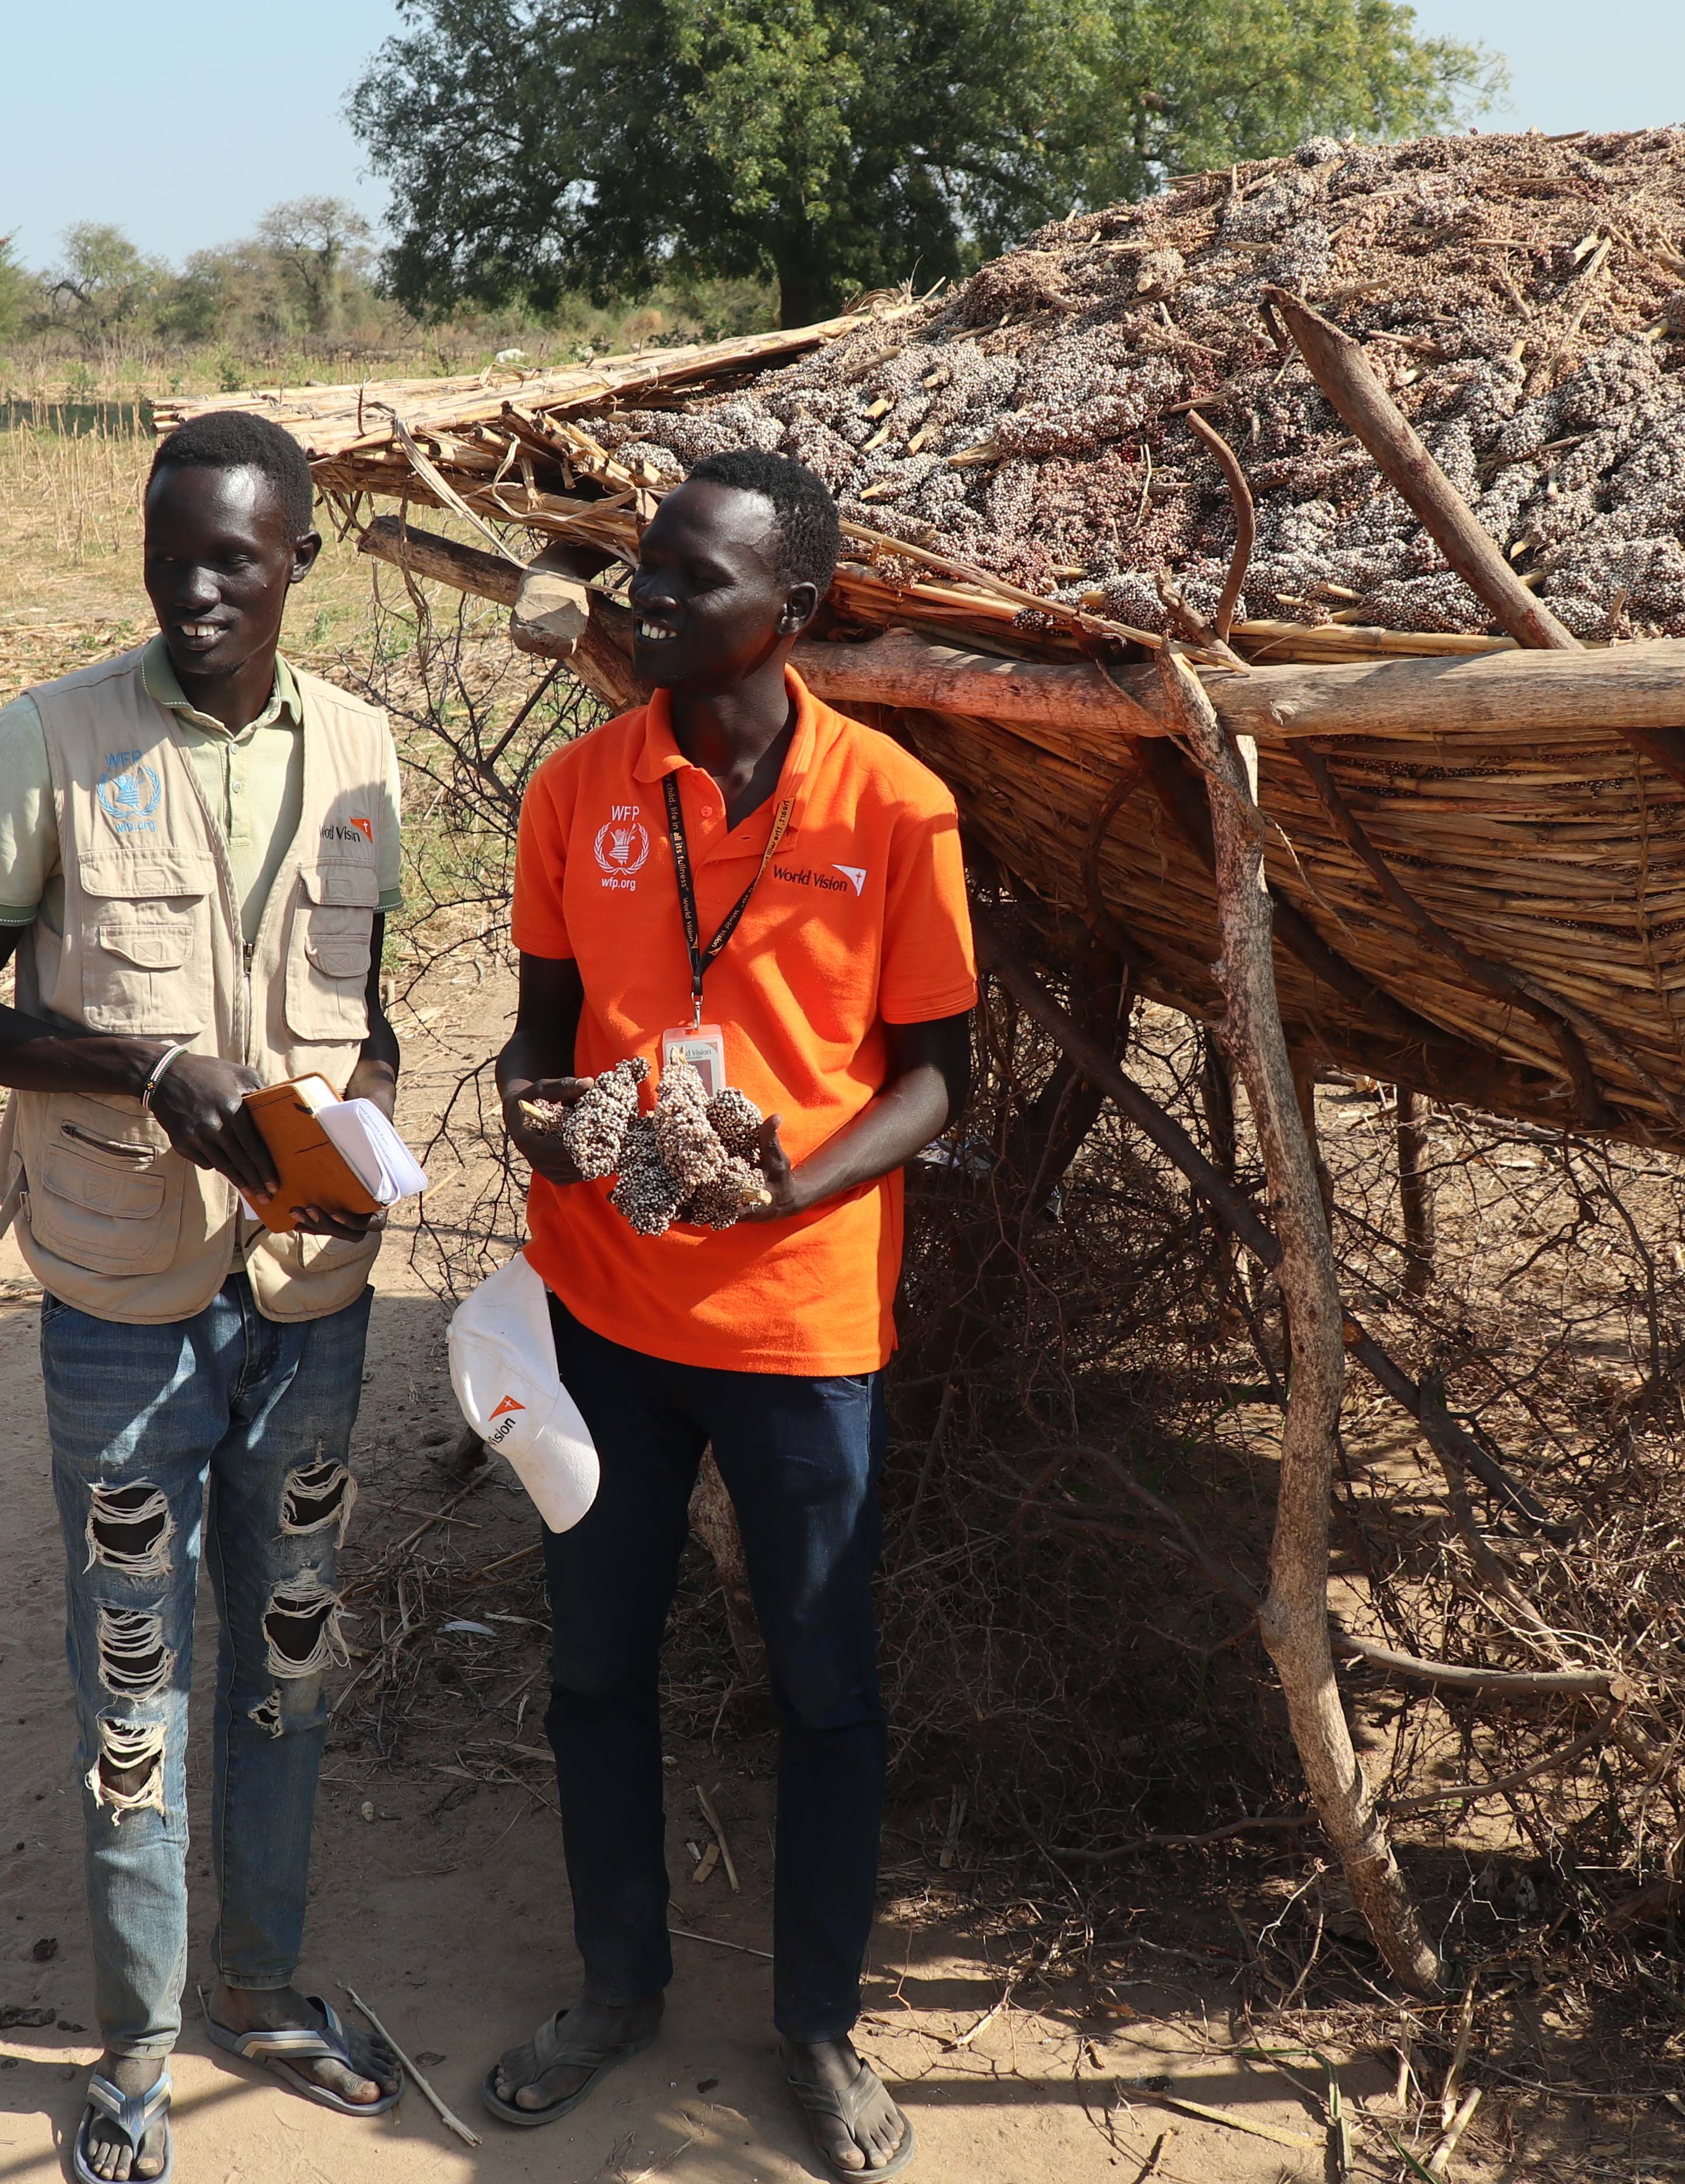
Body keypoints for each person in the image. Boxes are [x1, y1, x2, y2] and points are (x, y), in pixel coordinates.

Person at [0, 409, 405, 2183]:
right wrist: (152, 1071)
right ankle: (132, 2047)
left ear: (299, 562)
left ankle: (266, 1992)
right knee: (134, 1675)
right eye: (167, 550)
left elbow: (368, 1009)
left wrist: (369, 1131)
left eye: (232, 560)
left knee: (291, 1653)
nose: (194, 591)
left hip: (313, 1295)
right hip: (122, 1295)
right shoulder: (52, 739)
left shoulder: (362, 749)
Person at [488, 450, 973, 2179]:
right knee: (599, 1671)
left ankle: (818, 2027)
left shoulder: (895, 809)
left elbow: (935, 1082)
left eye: (695, 582)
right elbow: (538, 1029)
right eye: (645, 575)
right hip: (609, 1313)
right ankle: (618, 1986)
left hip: (799, 1327)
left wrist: (794, 1189)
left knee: (823, 1689)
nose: (650, 606)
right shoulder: (579, 793)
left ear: (800, 612)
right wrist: (542, 1116)